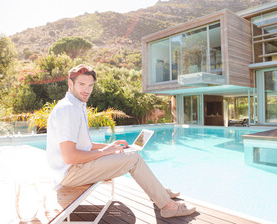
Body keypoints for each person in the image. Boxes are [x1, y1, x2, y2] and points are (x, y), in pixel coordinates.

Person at [46, 64, 196, 218]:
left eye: (90, 85)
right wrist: (105, 152)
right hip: (70, 174)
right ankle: (168, 207)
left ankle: (159, 192)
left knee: (129, 154)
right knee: (133, 159)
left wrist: (109, 146)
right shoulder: (67, 109)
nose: (87, 90)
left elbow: (85, 146)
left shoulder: (77, 106)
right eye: (82, 84)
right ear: (71, 84)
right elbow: (70, 157)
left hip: (77, 168)